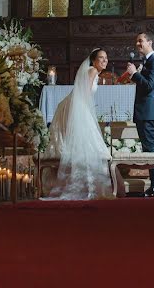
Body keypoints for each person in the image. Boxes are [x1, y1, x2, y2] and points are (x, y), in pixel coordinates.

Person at [43, 49, 113, 200]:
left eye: (106, 58)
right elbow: (85, 93)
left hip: (75, 105)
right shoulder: (93, 70)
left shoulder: (92, 71)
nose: (104, 60)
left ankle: (84, 184)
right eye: (101, 58)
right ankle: (86, 186)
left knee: (83, 143)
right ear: (93, 61)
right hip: (76, 106)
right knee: (86, 143)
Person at [125, 32, 154, 197]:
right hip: (144, 111)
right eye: (136, 41)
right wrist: (135, 75)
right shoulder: (147, 61)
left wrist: (135, 74)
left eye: (140, 41)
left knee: (150, 149)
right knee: (147, 148)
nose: (138, 43)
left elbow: (150, 85)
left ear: (150, 42)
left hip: (149, 112)